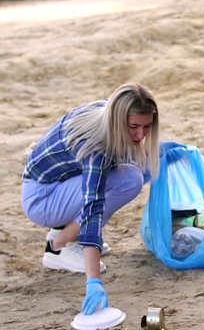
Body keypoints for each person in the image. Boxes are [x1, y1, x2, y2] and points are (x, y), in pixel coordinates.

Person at [21, 82, 162, 316]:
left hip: (60, 185)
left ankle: (64, 235)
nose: (141, 135)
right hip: (41, 199)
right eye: (134, 127)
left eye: (147, 127)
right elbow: (92, 208)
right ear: (118, 119)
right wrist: (93, 282)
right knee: (129, 180)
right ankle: (58, 246)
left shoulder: (104, 113)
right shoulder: (96, 147)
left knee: (137, 170)